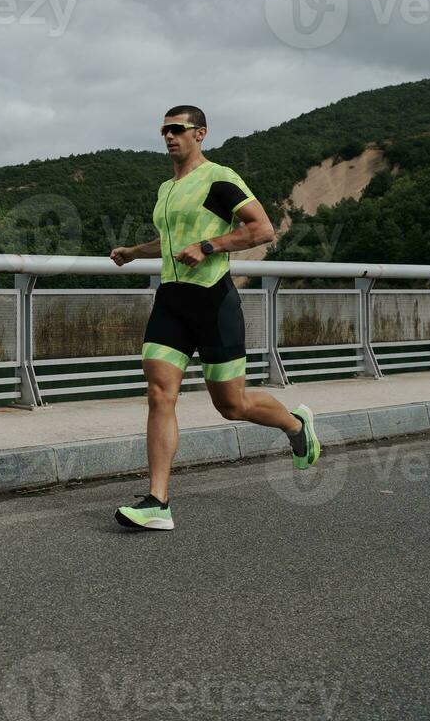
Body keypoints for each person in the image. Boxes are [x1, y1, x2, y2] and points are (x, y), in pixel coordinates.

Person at [108, 106, 318, 531]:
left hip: (212, 300)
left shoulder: (218, 178)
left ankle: (297, 427)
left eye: (178, 129)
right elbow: (170, 241)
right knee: (159, 392)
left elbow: (261, 230)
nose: (169, 136)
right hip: (171, 300)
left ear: (200, 133)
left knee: (231, 404)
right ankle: (157, 502)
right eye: (164, 129)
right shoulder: (168, 187)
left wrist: (208, 246)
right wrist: (134, 251)